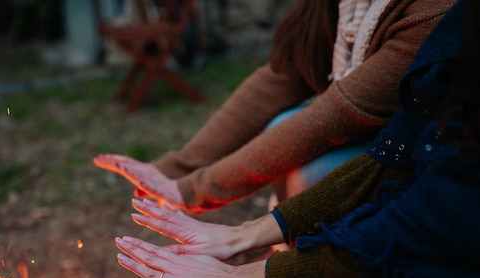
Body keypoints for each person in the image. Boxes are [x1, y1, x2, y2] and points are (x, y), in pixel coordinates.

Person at [113, 0, 480, 278]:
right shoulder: (439, 26)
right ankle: (293, 260)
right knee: (297, 137)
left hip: (458, 200)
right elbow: (390, 155)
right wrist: (242, 231)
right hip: (437, 168)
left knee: (420, 233)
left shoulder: (440, 13)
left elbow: (428, 221)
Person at [95, 0, 455, 214]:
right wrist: (177, 169)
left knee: (315, 172)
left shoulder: (436, 9)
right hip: (381, 138)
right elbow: (283, 75)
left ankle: (314, 275)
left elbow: (338, 114)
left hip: (439, 157)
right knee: (284, 124)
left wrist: (195, 189)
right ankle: (286, 260)